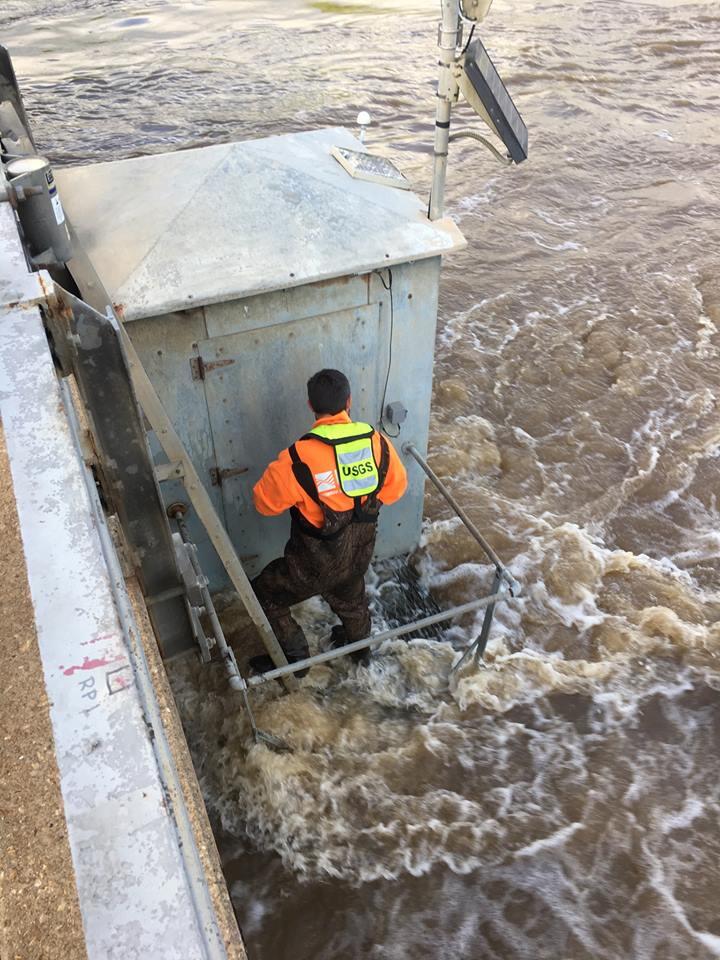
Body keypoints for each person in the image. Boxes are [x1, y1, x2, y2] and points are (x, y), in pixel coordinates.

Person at [249, 369, 408, 676]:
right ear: (349, 401)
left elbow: (263, 504)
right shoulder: (378, 443)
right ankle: (360, 654)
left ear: (311, 406)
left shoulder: (296, 458)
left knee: (264, 592)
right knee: (352, 600)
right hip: (357, 560)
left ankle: (295, 659)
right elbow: (397, 489)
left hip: (310, 569)